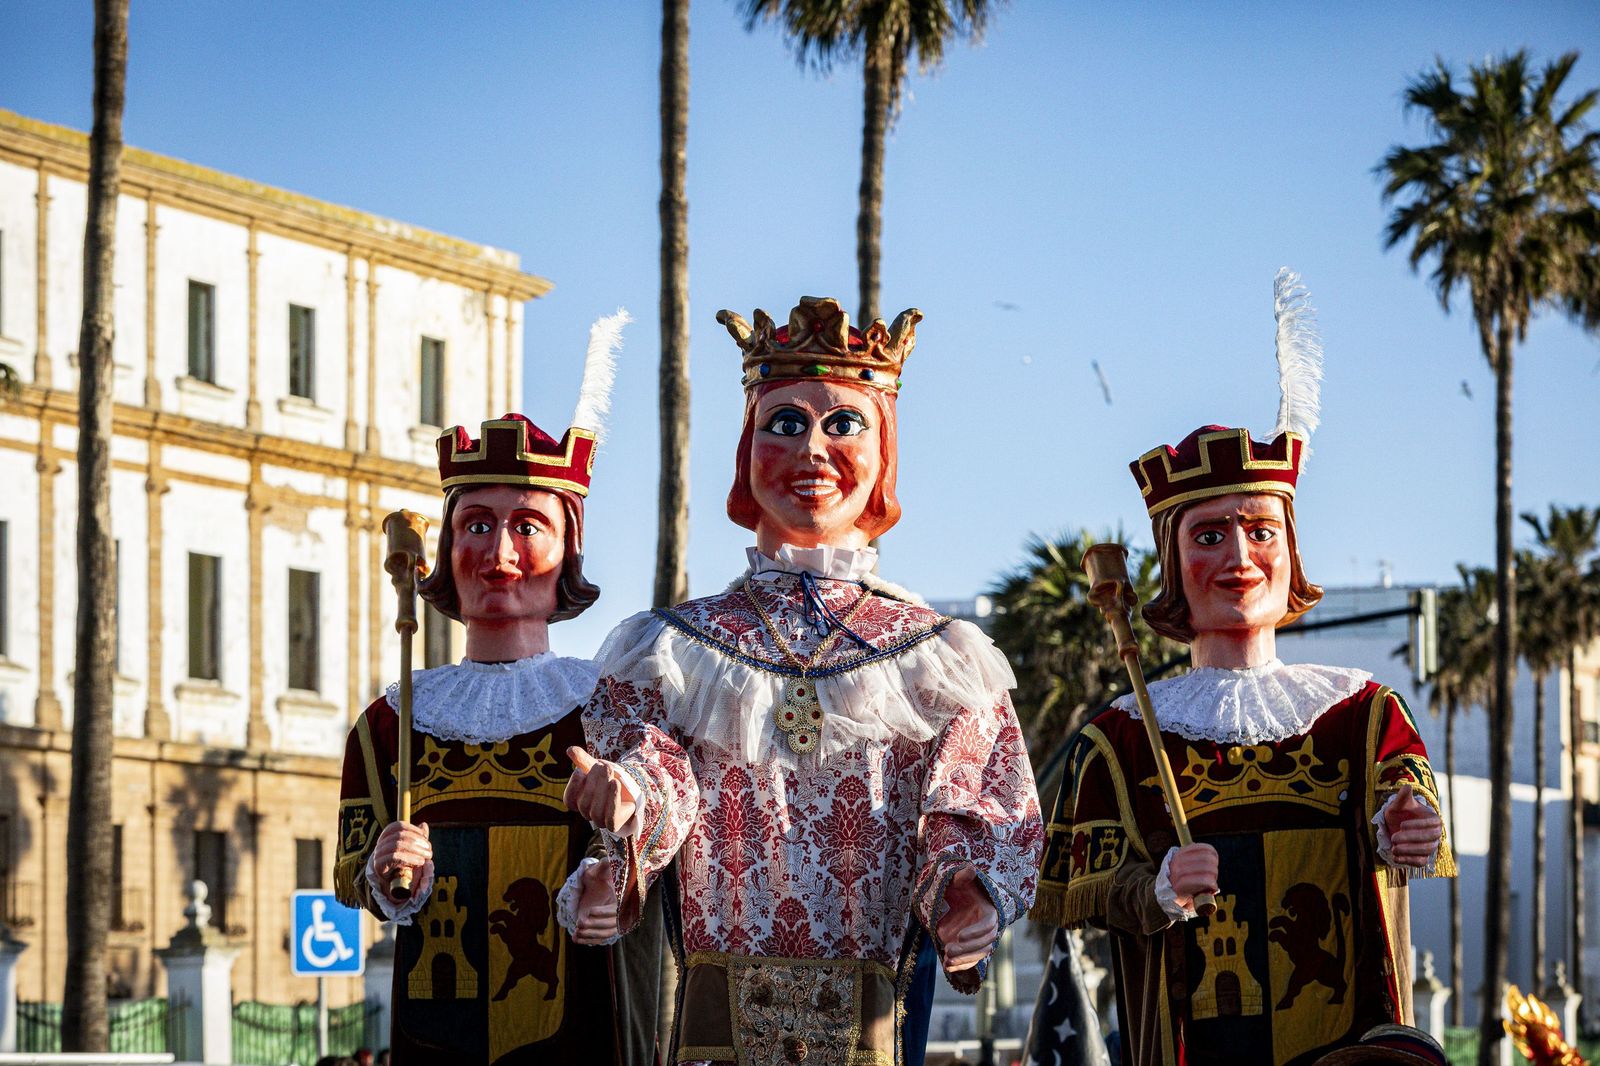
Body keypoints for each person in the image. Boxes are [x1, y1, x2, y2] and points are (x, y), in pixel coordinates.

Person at [565, 296, 1044, 1063]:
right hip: (719, 1018)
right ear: (746, 450)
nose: (814, 451)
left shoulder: (945, 656)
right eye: (785, 423)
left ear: (884, 451)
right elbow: (656, 772)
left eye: (843, 424)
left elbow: (978, 806)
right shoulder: (668, 647)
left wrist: (969, 893)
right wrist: (626, 810)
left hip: (877, 1016)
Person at [1035, 272, 1453, 1065]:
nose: (1239, 557)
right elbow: (1070, 889)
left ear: (1292, 550)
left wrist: (1408, 828)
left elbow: (1411, 824)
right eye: (1208, 536)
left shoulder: (1366, 715)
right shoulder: (1120, 736)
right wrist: (1153, 889)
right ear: (1171, 561)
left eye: (1260, 530)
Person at [333, 314, 629, 1063]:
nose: (498, 553)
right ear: (442, 549)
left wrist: (617, 880)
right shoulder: (387, 723)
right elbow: (348, 871)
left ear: (567, 554)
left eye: (528, 526)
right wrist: (385, 874)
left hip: (580, 1037)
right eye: (475, 525)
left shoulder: (615, 708)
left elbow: (669, 861)